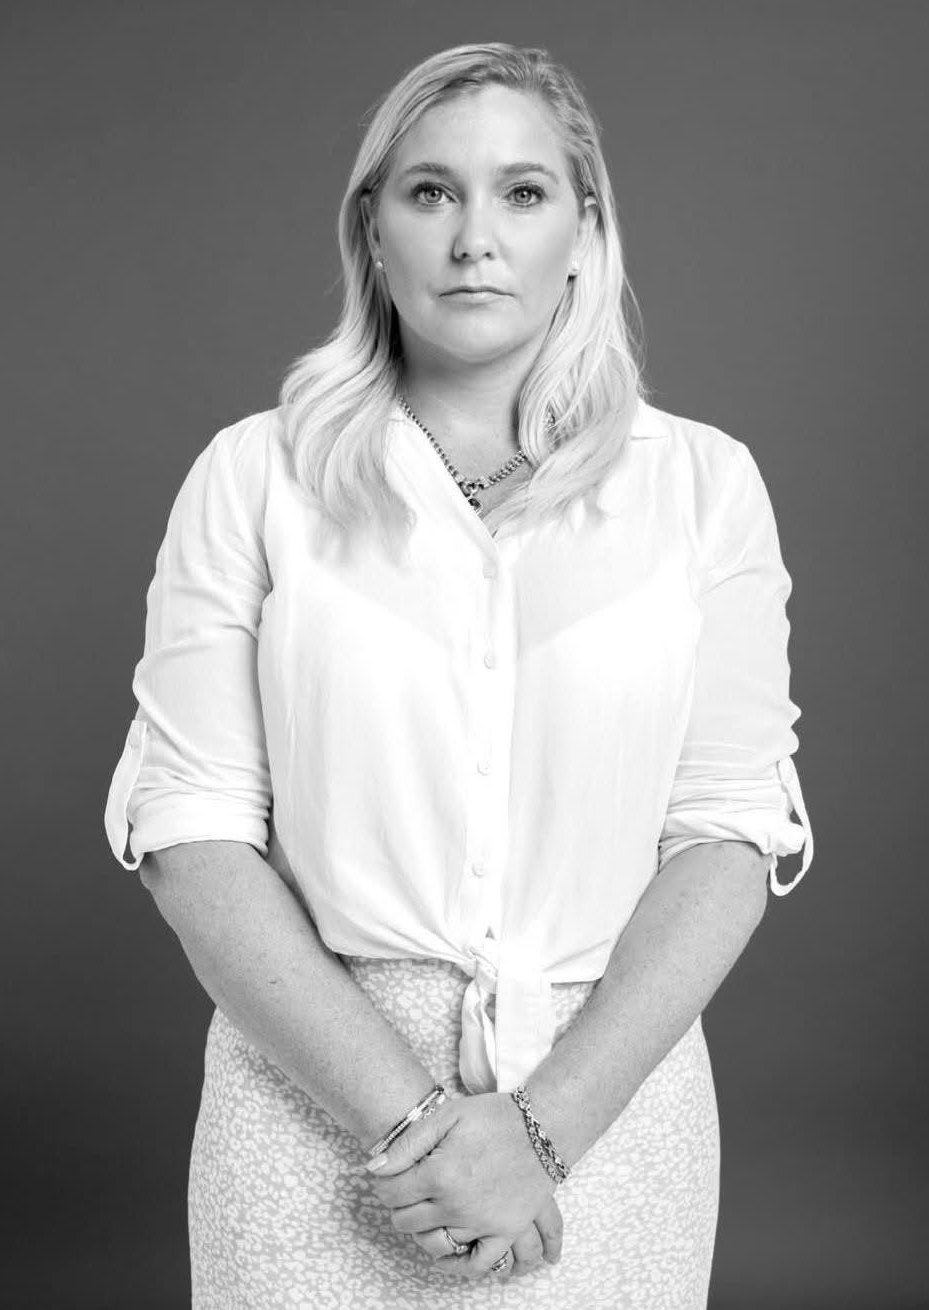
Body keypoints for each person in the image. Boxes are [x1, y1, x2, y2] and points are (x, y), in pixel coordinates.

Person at [104, 41, 814, 1309]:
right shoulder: (252, 477)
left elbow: (727, 831)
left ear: (586, 232)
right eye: (431, 192)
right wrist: (413, 1122)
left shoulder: (703, 486)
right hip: (316, 1106)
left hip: (609, 1104)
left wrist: (540, 1132)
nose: (475, 236)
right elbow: (190, 831)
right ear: (372, 233)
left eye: (523, 193)